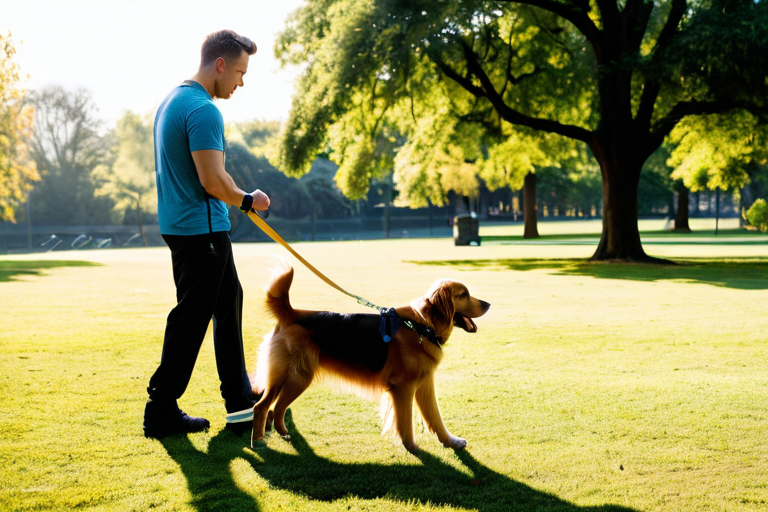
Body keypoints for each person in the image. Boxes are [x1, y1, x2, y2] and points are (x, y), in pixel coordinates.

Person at [143, 30, 270, 438]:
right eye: (238, 71)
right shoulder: (203, 110)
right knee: (192, 317)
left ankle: (239, 403)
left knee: (228, 303)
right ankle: (160, 408)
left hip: (185, 227)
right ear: (219, 64)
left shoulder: (172, 101)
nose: (241, 82)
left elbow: (211, 175)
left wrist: (235, 193)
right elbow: (214, 182)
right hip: (203, 231)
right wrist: (248, 199)